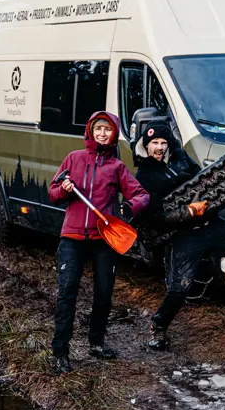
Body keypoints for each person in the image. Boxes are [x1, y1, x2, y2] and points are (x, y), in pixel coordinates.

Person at [134, 123, 225, 351]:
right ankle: (158, 327)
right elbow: (154, 218)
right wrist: (189, 211)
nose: (159, 147)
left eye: (163, 142)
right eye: (154, 143)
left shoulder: (181, 159)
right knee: (180, 287)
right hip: (183, 235)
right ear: (145, 145)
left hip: (213, 225)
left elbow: (209, 188)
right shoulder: (144, 176)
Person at [48, 112, 150, 375]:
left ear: (114, 134)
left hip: (104, 238)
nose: (102, 134)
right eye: (98, 129)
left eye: (108, 130)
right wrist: (65, 190)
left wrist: (126, 209)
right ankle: (60, 352)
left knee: (103, 294)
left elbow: (141, 195)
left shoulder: (116, 166)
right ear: (90, 131)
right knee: (67, 294)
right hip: (72, 237)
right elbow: (53, 192)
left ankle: (96, 343)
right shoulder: (74, 158)